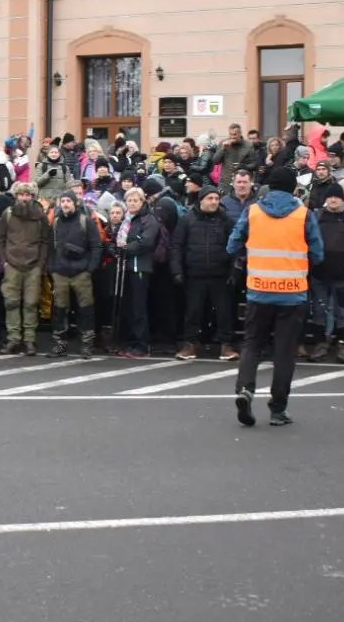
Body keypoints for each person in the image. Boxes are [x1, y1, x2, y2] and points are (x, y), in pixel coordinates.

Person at [226, 166, 323, 427]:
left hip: (259, 290)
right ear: (293, 188)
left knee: (252, 344)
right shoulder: (304, 215)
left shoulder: (253, 211)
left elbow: (232, 245)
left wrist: (250, 255)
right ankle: (278, 409)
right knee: (284, 352)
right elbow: (318, 254)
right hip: (292, 294)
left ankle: (245, 389)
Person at [172, 187, 236, 360]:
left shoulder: (226, 220)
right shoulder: (187, 220)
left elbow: (235, 248)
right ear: (201, 200)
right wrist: (177, 270)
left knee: (224, 312)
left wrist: (233, 271)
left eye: (216, 198)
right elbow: (177, 246)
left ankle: (226, 345)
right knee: (192, 311)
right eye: (210, 198)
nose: (214, 201)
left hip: (220, 274)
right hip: (195, 274)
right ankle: (190, 344)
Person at [302, 183, 344, 362]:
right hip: (319, 272)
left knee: (343, 311)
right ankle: (320, 344)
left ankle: (343, 344)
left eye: (336, 197)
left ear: (342, 199)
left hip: (343, 273)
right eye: (330, 197)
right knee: (319, 310)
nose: (333, 200)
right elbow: (308, 242)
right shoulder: (316, 217)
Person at [0, 182, 50, 356]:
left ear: (32, 196)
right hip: (12, 265)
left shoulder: (40, 216)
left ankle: (29, 340)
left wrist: (40, 264)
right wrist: (4, 261)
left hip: (33, 266)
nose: (25, 198)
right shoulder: (8, 214)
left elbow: (45, 241)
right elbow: (0, 239)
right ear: (17, 196)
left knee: (31, 304)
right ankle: (13, 338)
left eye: (28, 195)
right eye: (21, 194)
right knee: (11, 303)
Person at [48, 190, 101, 358]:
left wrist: (90, 268)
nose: (65, 204)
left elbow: (96, 246)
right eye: (62, 201)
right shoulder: (55, 223)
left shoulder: (86, 221)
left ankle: (87, 343)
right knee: (59, 310)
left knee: (85, 309)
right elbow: (50, 247)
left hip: (81, 273)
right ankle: (60, 343)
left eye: (68, 201)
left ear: (74, 203)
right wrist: (52, 268)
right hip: (60, 273)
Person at [111, 188, 160, 359]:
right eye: (129, 200)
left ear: (142, 202)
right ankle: (130, 343)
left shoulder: (149, 219)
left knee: (139, 308)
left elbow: (146, 241)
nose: (132, 203)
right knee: (129, 308)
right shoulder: (126, 219)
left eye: (135, 200)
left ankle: (142, 345)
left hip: (140, 267)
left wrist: (126, 248)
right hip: (125, 267)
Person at [212, 124, 261, 192]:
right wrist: (223, 149)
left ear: (240, 134)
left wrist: (244, 166)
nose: (232, 137)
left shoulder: (248, 145)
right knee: (223, 202)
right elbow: (215, 161)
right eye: (230, 134)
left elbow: (254, 164)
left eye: (234, 134)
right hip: (225, 182)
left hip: (242, 182)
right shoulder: (223, 143)